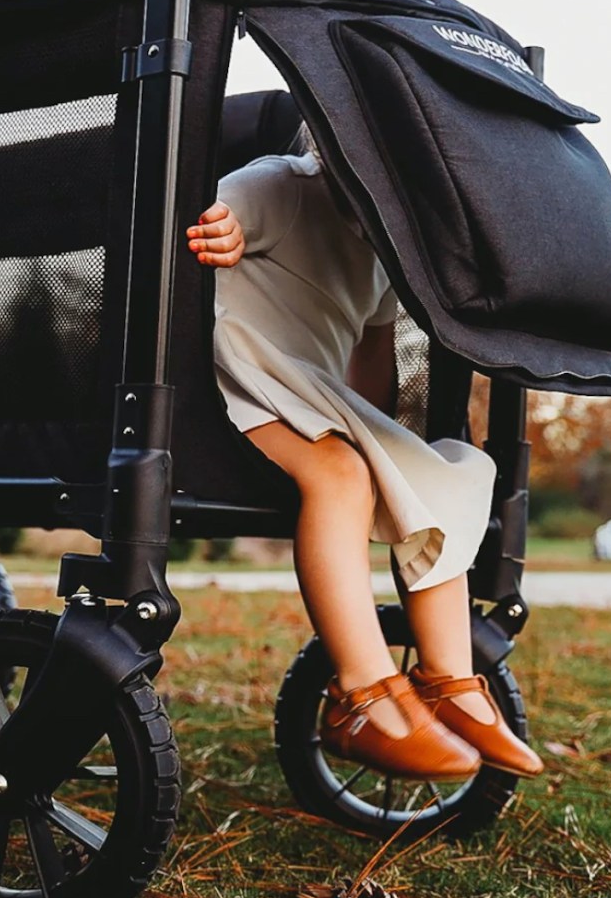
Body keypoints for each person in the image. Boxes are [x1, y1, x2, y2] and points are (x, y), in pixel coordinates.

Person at [186, 140, 543, 781]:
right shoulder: (285, 187)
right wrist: (224, 227)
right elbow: (213, 211)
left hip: (315, 396)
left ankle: (449, 683)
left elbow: (372, 357)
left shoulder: (386, 250)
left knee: (437, 476)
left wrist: (382, 445)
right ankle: (362, 694)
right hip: (242, 380)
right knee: (342, 475)